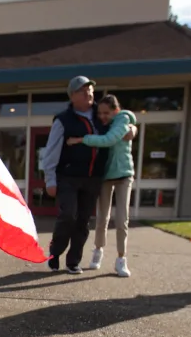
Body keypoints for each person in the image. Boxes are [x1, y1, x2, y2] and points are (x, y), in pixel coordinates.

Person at [42, 76, 134, 273]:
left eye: (90, 89)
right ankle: (55, 253)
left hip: (93, 178)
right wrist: (49, 179)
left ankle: (73, 261)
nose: (89, 93)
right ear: (72, 96)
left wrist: (133, 128)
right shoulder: (63, 120)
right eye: (83, 90)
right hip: (68, 176)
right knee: (68, 215)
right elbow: (51, 151)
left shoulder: (101, 115)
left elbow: (123, 119)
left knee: (83, 220)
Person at [67, 94, 136, 277]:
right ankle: (98, 250)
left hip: (123, 175)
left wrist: (81, 139)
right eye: (100, 113)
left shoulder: (122, 120)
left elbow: (109, 140)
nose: (103, 116)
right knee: (101, 219)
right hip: (105, 175)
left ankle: (121, 259)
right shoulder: (100, 125)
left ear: (116, 111)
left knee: (122, 219)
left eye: (107, 113)